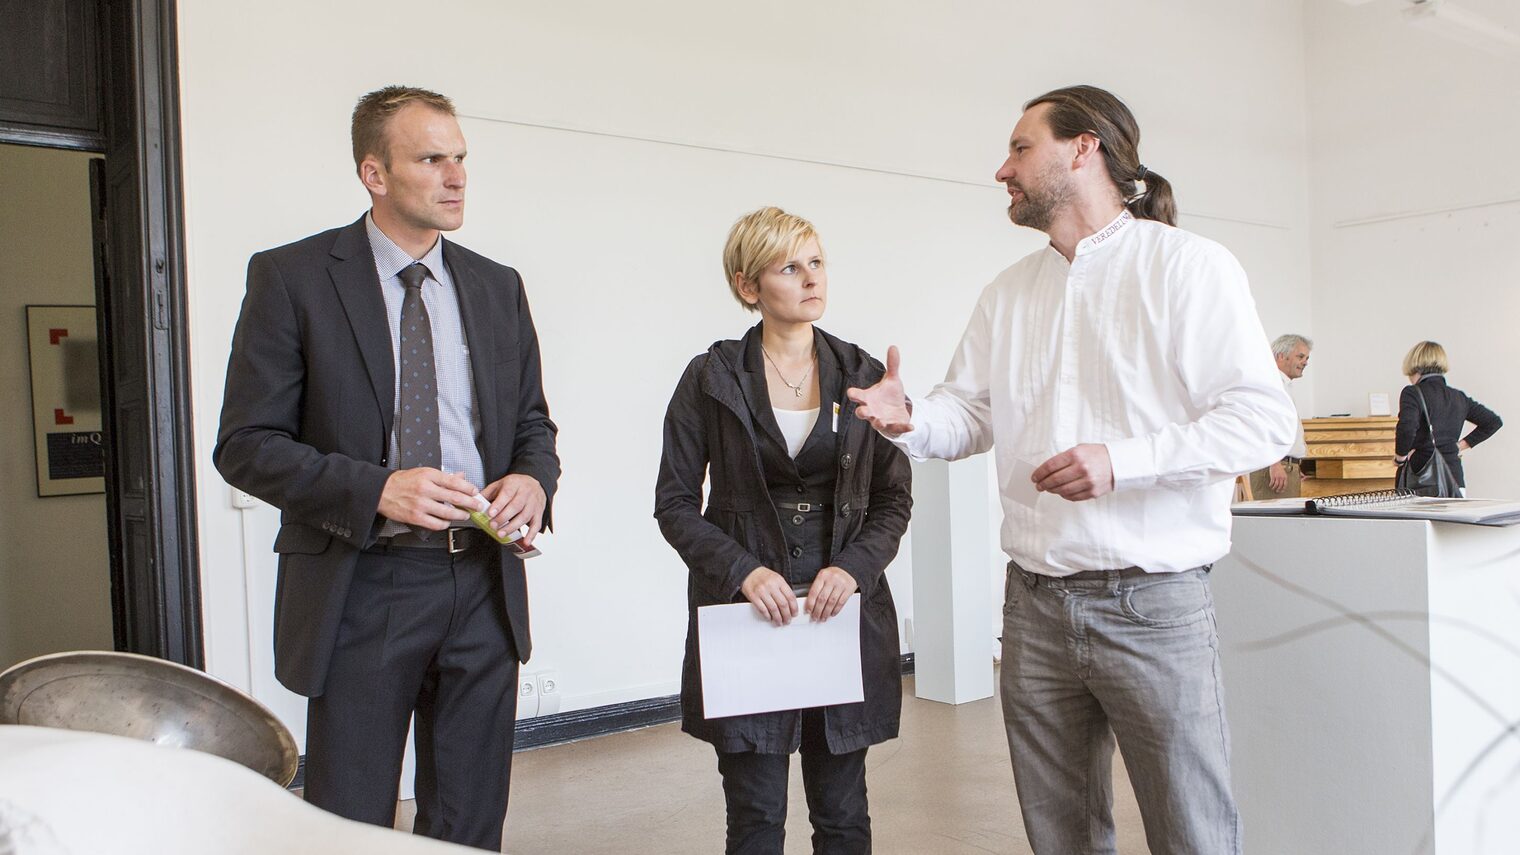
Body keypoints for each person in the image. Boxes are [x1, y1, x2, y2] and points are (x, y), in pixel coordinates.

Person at [847, 85, 1296, 855]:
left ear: (1084, 148)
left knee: (1193, 831)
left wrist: (1120, 463)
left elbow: (1263, 420)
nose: (1002, 169)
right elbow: (971, 416)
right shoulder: (1008, 293)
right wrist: (913, 417)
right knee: (1061, 839)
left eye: (1020, 148)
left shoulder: (1189, 268)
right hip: (1034, 608)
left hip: (1154, 605)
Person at [213, 85, 559, 850]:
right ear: (374, 173)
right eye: (431, 159)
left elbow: (533, 425)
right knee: (352, 821)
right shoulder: (293, 278)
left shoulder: (497, 287)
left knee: (470, 823)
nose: (456, 175)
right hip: (362, 579)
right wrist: (379, 489)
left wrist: (533, 482)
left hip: (484, 583)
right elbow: (245, 443)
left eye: (460, 157)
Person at [654, 206, 912, 855]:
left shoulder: (861, 374)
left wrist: (854, 567)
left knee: (843, 813)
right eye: (789, 266)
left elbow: (893, 499)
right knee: (756, 816)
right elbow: (676, 502)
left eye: (816, 261)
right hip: (748, 621)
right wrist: (743, 570)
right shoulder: (709, 376)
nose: (810, 278)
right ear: (748, 286)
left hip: (840, 614)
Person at [1394, 340, 1501, 496]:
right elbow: (1492, 421)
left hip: (1422, 481)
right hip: (1454, 480)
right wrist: (1458, 446)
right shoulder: (1458, 396)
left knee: (1421, 522)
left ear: (1414, 365)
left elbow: (1407, 427)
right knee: (1455, 521)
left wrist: (1400, 458)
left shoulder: (1412, 393)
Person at [1248, 334, 1312, 498]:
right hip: (1274, 470)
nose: (1305, 362)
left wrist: (1297, 464)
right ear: (1280, 356)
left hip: (1287, 468)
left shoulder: (1284, 385)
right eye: (1300, 356)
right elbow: (1261, 424)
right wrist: (1274, 463)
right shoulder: (1269, 383)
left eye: (1306, 357)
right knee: (1274, 523)